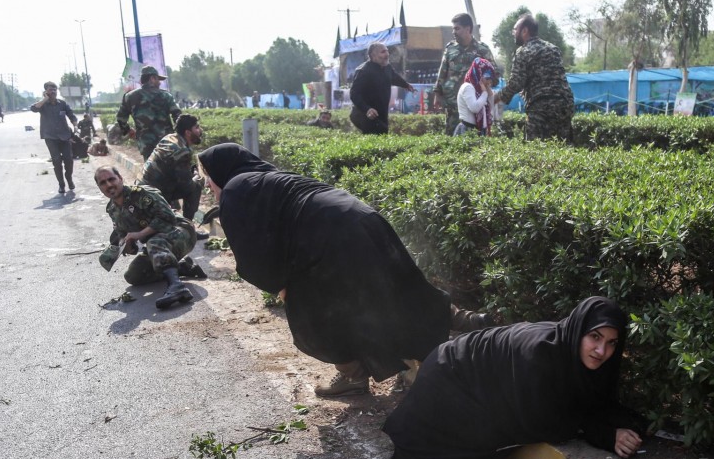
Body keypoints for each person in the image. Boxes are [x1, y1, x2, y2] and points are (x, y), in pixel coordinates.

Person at [197, 144, 495, 398]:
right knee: (396, 284)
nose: (209, 186)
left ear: (221, 171)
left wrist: (280, 285)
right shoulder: (266, 176)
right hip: (360, 216)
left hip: (327, 235)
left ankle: (352, 375)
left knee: (313, 313)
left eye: (208, 178)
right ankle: (461, 319)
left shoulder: (236, 190)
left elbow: (253, 253)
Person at [383, 296, 647, 459]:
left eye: (612, 342)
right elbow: (543, 421)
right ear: (579, 330)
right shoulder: (541, 355)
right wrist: (606, 435)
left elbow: (589, 401)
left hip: (469, 374)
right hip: (449, 375)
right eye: (595, 337)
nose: (602, 351)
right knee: (476, 436)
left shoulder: (577, 353)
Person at [94, 166, 206, 310]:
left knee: (154, 242)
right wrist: (127, 246)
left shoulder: (142, 193)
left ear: (120, 178)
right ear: (99, 187)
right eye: (103, 183)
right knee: (133, 276)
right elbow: (124, 234)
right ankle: (182, 266)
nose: (108, 185)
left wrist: (140, 235)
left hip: (181, 231)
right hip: (158, 245)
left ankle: (177, 286)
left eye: (111, 179)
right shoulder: (112, 209)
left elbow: (168, 218)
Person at [495, 13, 575, 143]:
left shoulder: (523, 51)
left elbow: (516, 83)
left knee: (536, 151)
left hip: (541, 108)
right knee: (563, 149)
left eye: (515, 29)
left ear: (525, 31)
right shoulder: (553, 48)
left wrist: (497, 97)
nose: (513, 33)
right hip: (564, 105)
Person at [140, 114, 209, 239]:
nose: (200, 131)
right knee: (197, 184)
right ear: (188, 132)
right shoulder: (182, 151)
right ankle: (187, 229)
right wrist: (197, 175)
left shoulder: (170, 137)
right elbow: (185, 183)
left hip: (145, 190)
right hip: (157, 194)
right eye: (197, 128)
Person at [434, 13, 498, 136]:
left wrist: (485, 83)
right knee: (452, 137)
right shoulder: (450, 49)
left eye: (457, 28)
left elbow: (494, 73)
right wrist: (437, 93)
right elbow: (442, 72)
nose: (454, 32)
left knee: (474, 139)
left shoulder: (482, 50)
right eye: (453, 28)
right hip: (453, 104)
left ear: (468, 29)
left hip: (475, 106)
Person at [115, 65, 182, 161]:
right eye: (158, 79)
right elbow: (178, 116)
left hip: (146, 144)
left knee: (152, 171)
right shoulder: (166, 95)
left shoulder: (129, 97)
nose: (159, 83)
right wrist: (180, 136)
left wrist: (128, 131)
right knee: (170, 170)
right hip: (167, 142)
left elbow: (121, 119)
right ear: (152, 78)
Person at [349, 42, 416, 135]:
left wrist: (406, 85)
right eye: (383, 52)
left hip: (381, 113)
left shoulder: (387, 67)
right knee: (373, 140)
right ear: (373, 55)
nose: (387, 54)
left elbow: (394, 77)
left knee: (383, 135)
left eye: (387, 51)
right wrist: (367, 109)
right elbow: (354, 94)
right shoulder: (363, 71)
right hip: (365, 114)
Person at [30, 82, 79, 193]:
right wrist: (44, 99)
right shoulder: (43, 105)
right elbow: (33, 108)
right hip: (50, 137)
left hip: (64, 136)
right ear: (46, 92)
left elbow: (71, 115)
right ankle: (61, 184)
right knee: (56, 161)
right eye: (50, 90)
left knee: (69, 159)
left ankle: (69, 179)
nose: (53, 92)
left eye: (54, 90)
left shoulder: (62, 104)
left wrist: (75, 125)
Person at [454, 57, 496, 136]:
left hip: (479, 130)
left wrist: (488, 90)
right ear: (478, 74)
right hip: (467, 130)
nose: (490, 81)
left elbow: (493, 104)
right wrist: (484, 93)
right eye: (487, 77)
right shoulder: (468, 87)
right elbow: (475, 108)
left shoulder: (480, 89)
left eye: (491, 78)